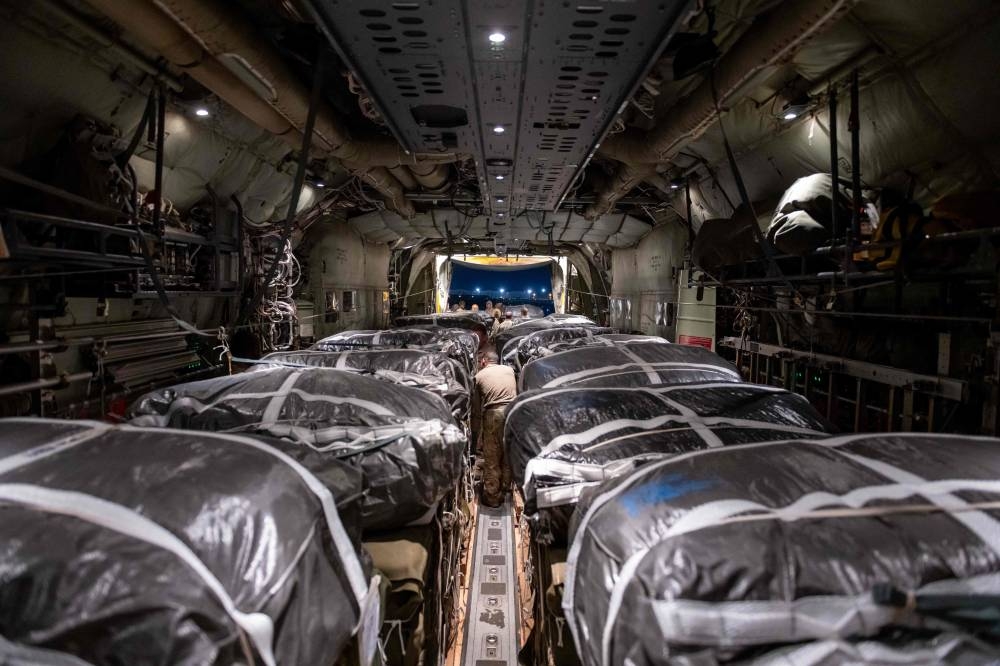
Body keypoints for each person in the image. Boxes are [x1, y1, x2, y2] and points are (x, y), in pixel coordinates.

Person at [471, 348, 516, 507]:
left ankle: (492, 497)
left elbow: (476, 410)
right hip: (512, 413)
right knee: (507, 453)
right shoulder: (509, 370)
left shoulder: (479, 376)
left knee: (491, 457)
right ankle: (505, 488)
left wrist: (474, 435)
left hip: (493, 415)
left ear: (484, 361)